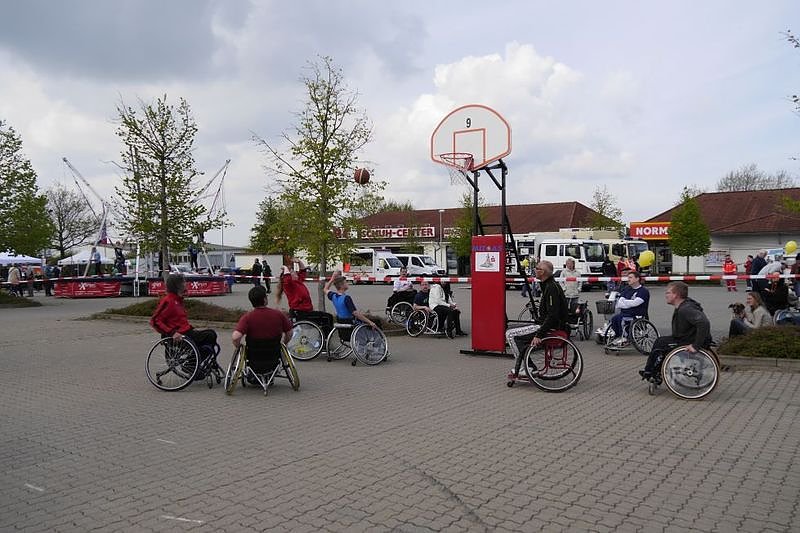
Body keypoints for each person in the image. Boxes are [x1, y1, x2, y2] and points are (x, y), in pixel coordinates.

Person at [640, 281, 712, 381]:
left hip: (689, 340)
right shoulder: (684, 305)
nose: (666, 295)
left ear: (675, 295)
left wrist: (696, 346)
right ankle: (653, 370)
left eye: (668, 293)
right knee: (661, 341)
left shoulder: (686, 309)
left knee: (660, 345)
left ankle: (650, 371)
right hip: (686, 337)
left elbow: (704, 323)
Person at [505, 260, 568, 367]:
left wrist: (539, 334)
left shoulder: (551, 287)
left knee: (510, 334)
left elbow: (553, 315)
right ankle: (525, 363)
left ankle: (527, 367)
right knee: (511, 329)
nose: (535, 270)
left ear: (542, 272)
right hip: (544, 323)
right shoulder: (548, 285)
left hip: (550, 326)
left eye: (537, 268)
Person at [231, 286, 293, 373]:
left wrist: (239, 347)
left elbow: (235, 337)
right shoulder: (278, 314)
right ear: (264, 300)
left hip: (254, 356)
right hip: (273, 354)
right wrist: (285, 342)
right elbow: (289, 332)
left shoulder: (247, 317)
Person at [150, 273, 218, 349]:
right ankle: (193, 359)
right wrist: (171, 333)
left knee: (210, 335)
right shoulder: (168, 301)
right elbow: (155, 321)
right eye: (183, 282)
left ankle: (201, 357)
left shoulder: (178, 300)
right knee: (210, 335)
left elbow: (180, 321)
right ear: (177, 285)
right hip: (179, 334)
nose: (186, 284)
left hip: (186, 331)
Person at [324, 271, 378, 340]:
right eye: (345, 282)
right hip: (351, 323)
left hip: (341, 322)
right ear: (341, 285)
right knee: (375, 323)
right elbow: (355, 313)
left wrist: (332, 278)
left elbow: (325, 289)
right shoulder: (346, 298)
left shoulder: (333, 296)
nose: (347, 283)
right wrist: (370, 322)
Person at [607, 271, 650, 345]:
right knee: (614, 318)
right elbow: (619, 303)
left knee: (621, 319)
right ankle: (619, 335)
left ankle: (625, 337)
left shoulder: (643, 291)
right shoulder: (627, 289)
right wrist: (629, 302)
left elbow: (636, 303)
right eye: (628, 278)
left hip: (637, 314)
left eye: (630, 277)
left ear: (637, 279)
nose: (628, 279)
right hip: (625, 313)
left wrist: (625, 302)